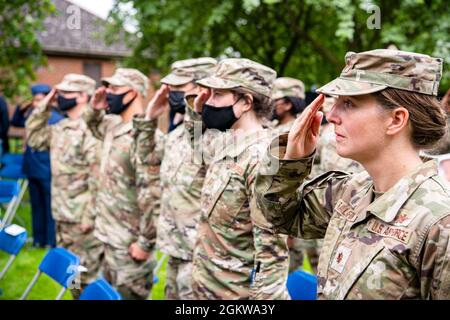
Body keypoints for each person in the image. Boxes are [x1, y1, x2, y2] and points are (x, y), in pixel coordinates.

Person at [255, 49, 450, 299]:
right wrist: (291, 162)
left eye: (349, 103)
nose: (332, 116)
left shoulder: (439, 223)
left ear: (396, 119)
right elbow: (277, 217)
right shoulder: (350, 192)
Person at [181, 58, 289, 300]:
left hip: (235, 296)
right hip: (206, 288)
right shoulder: (226, 143)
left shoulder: (263, 159)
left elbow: (271, 252)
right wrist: (196, 113)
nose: (209, 102)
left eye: (217, 94)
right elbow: (196, 149)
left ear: (246, 102)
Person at [137, 57, 217, 299]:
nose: (170, 94)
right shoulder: (177, 135)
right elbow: (146, 160)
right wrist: (150, 118)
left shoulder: (216, 137)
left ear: (202, 90)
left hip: (202, 259)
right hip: (175, 251)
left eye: (178, 89)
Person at [26, 74, 103, 298]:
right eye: (59, 92)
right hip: (62, 215)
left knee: (88, 278)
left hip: (83, 220)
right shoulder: (60, 127)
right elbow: (34, 137)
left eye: (66, 93)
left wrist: (90, 216)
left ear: (83, 96)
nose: (60, 97)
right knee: (73, 278)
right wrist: (44, 107)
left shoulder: (92, 129)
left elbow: (98, 178)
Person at [85, 68, 157, 300]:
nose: (107, 93)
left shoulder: (147, 137)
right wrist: (95, 108)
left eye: (114, 89)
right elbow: (93, 126)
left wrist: (145, 244)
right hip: (107, 236)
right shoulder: (113, 126)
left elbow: (154, 194)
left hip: (129, 244)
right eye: (107, 87)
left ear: (133, 93)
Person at [11, 84, 64, 248]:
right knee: (36, 205)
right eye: (34, 100)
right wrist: (23, 107)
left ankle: (50, 240)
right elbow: (16, 122)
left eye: (40, 100)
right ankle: (37, 240)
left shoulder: (55, 117)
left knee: (48, 206)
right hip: (32, 166)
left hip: (46, 165)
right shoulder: (32, 115)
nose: (36, 103)